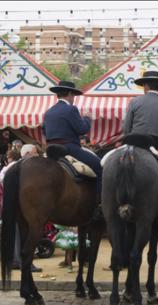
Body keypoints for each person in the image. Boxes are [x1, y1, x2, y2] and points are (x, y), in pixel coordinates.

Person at [123, 70, 158, 222]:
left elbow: (126, 129)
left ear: (145, 85)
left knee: (106, 163)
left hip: (132, 143)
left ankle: (102, 204)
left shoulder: (134, 102)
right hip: (154, 145)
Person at [42, 80, 103, 216]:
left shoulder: (48, 112)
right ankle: (99, 205)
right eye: (73, 95)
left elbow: (45, 132)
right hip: (69, 148)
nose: (74, 98)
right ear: (69, 94)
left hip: (51, 150)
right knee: (99, 167)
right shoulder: (71, 109)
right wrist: (87, 118)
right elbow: (81, 129)